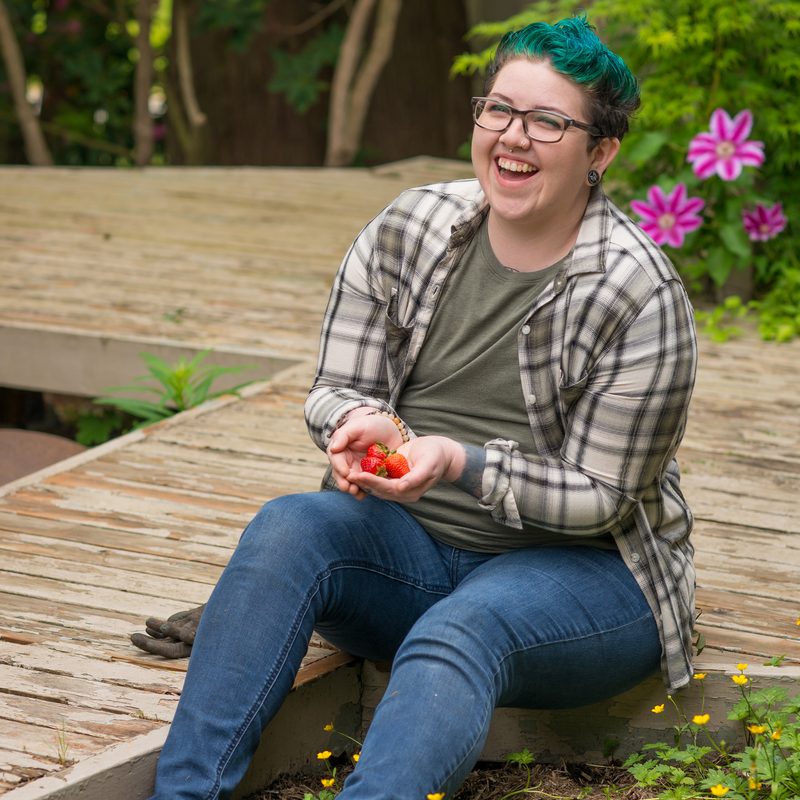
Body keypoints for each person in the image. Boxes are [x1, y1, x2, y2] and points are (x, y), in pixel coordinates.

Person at [134, 15, 698, 800]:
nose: (513, 137)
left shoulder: (639, 294)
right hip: (413, 554)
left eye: (548, 122)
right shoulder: (409, 228)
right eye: (498, 109)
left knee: (465, 626)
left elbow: (603, 498)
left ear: (599, 152)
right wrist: (364, 427)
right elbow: (337, 386)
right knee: (288, 527)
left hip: (588, 583)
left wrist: (458, 461)